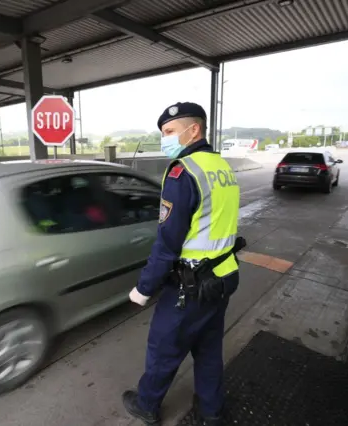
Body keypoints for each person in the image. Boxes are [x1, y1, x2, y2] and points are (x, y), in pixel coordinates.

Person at [122, 102, 242, 426]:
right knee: (207, 348)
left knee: (164, 347)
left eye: (170, 132)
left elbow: (167, 244)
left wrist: (144, 289)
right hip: (224, 276)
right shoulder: (221, 166)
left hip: (190, 285)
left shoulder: (182, 172)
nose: (165, 139)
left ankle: (146, 405)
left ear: (194, 130)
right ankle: (211, 410)